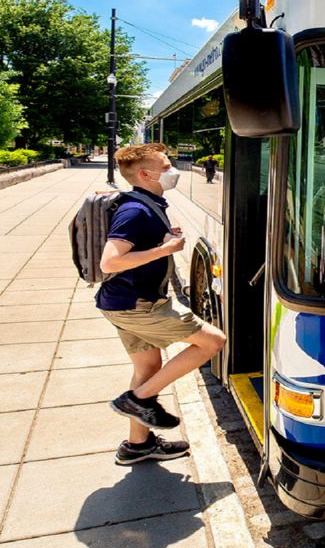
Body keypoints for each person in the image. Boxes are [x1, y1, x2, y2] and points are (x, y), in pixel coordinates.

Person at [97, 143, 227, 465]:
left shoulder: (147, 203)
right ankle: (138, 400)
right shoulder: (135, 211)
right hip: (138, 305)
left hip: (121, 303)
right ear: (145, 174)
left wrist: (163, 241)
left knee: (148, 367)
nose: (173, 170)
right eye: (166, 165)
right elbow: (110, 262)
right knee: (213, 341)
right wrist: (164, 250)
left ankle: (136, 445)